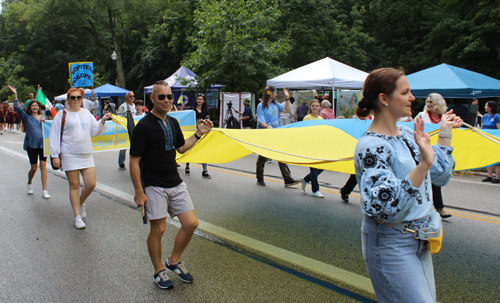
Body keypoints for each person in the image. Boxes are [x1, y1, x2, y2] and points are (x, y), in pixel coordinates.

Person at [354, 68, 461, 302]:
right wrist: (422, 165)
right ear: (384, 99)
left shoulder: (405, 133)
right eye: (405, 92)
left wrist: (445, 133)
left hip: (420, 239)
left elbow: (441, 174)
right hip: (391, 243)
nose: (412, 97)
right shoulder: (371, 146)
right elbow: (384, 206)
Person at [129, 80, 213, 289]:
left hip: (175, 182)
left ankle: (173, 261)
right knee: (158, 230)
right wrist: (139, 192)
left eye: (169, 97)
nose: (166, 101)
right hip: (153, 185)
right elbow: (134, 161)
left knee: (191, 223)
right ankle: (158, 271)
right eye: (161, 97)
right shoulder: (144, 127)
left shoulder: (173, 122)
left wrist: (198, 133)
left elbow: (182, 149)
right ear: (152, 99)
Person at [49, 88, 111, 229]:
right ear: (68, 100)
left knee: (91, 184)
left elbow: (95, 131)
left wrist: (102, 121)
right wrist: (54, 155)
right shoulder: (61, 114)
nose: (76, 100)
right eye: (73, 97)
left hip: (86, 153)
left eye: (78, 97)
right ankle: (77, 216)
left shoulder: (86, 113)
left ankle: (81, 202)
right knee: (74, 185)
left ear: (81, 99)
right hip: (69, 154)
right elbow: (54, 135)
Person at [8, 85, 50, 198]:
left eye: (36, 105)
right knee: (34, 168)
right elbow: (17, 108)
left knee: (43, 166)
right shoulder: (26, 117)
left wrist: (45, 122)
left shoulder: (43, 117)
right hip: (31, 145)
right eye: (33, 105)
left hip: (43, 145)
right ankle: (30, 183)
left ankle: (44, 190)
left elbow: (51, 128)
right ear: (30, 107)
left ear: (39, 107)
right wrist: (15, 94)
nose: (35, 107)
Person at [416, 93, 452, 218]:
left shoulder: (444, 118)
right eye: (427, 102)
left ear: (439, 103)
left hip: (439, 151)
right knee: (425, 178)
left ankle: (437, 207)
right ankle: (438, 208)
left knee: (435, 178)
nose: (428, 104)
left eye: (431, 102)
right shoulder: (421, 116)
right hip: (423, 150)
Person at [256, 86, 300, 187]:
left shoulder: (275, 104)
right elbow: (260, 121)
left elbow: (287, 110)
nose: (276, 94)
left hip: (276, 134)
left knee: (281, 155)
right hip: (266, 134)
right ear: (270, 94)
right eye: (275, 93)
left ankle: (288, 179)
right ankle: (260, 178)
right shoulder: (261, 105)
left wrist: (287, 98)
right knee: (263, 157)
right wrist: (267, 126)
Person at [299, 99, 325, 198]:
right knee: (314, 168)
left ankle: (306, 179)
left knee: (323, 166)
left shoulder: (321, 118)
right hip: (310, 145)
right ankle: (315, 190)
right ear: (310, 107)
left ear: (320, 108)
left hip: (318, 145)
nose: (315, 107)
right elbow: (304, 132)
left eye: (317, 106)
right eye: (313, 105)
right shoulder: (307, 118)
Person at [185, 94, 211, 179]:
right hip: (193, 133)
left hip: (202, 133)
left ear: (203, 101)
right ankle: (187, 166)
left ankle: (205, 170)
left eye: (201, 99)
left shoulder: (206, 113)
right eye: (198, 99)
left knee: (203, 150)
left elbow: (208, 123)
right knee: (190, 149)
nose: (199, 100)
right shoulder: (192, 111)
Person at [480, 100, 500, 183]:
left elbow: (499, 129)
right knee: (488, 157)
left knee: (496, 157)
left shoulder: (496, 117)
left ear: (491, 108)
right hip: (486, 139)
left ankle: (497, 176)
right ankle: (489, 175)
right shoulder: (484, 116)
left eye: (486, 106)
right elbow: (482, 128)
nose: (485, 107)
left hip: (494, 139)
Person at [116, 91, 137, 170]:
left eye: (133, 96)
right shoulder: (123, 106)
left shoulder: (134, 106)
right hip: (125, 128)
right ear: (126, 97)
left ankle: (133, 162)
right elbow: (119, 116)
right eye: (130, 96)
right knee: (123, 146)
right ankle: (121, 162)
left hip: (133, 127)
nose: (132, 97)